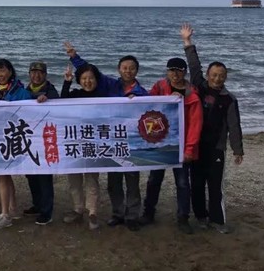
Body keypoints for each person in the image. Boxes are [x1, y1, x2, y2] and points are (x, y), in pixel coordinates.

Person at [64, 42, 147, 232]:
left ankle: (132, 216)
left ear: (136, 71)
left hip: (130, 142)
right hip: (110, 141)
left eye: (132, 68)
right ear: (119, 69)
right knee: (114, 180)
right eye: (124, 68)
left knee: (132, 180)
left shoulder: (142, 93)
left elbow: (151, 110)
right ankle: (118, 214)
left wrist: (140, 101)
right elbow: (91, 74)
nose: (128, 71)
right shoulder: (111, 84)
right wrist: (74, 57)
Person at [181, 23, 243, 233]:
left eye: (221, 75)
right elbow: (194, 65)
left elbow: (234, 126)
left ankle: (218, 220)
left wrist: (237, 149)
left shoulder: (229, 99)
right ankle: (201, 216)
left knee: (216, 186)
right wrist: (187, 42)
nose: (217, 78)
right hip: (196, 146)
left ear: (226, 77)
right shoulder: (199, 87)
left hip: (217, 148)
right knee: (197, 184)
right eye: (214, 74)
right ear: (208, 75)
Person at [140, 55, 203, 233]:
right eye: (171, 70)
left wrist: (189, 149)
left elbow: (195, 125)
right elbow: (146, 105)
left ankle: (183, 218)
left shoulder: (192, 95)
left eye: (179, 71)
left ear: (185, 72)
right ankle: (148, 213)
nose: (175, 74)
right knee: (154, 180)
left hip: (181, 146)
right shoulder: (160, 87)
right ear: (167, 72)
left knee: (183, 183)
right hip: (160, 143)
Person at [0, 58, 32, 230]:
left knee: (1, 175)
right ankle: (13, 209)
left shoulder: (20, 92)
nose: (0, 74)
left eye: (3, 70)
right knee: (4, 176)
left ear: (11, 71)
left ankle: (5, 214)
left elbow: (29, 114)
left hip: (11, 139)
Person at [60, 63, 104, 231]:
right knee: (74, 179)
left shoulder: (103, 96)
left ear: (96, 79)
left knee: (92, 178)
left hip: (94, 144)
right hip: (74, 142)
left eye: (91, 78)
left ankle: (92, 212)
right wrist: (67, 82)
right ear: (79, 80)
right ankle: (78, 209)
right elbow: (61, 101)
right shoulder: (75, 94)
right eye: (84, 78)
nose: (87, 81)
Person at [22, 61, 58, 226]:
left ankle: (46, 211)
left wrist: (48, 99)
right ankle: (37, 205)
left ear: (45, 75)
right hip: (29, 139)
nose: (36, 76)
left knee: (44, 176)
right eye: (33, 72)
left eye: (40, 73)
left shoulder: (51, 91)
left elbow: (60, 106)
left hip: (45, 140)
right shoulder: (25, 90)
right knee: (31, 175)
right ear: (29, 74)